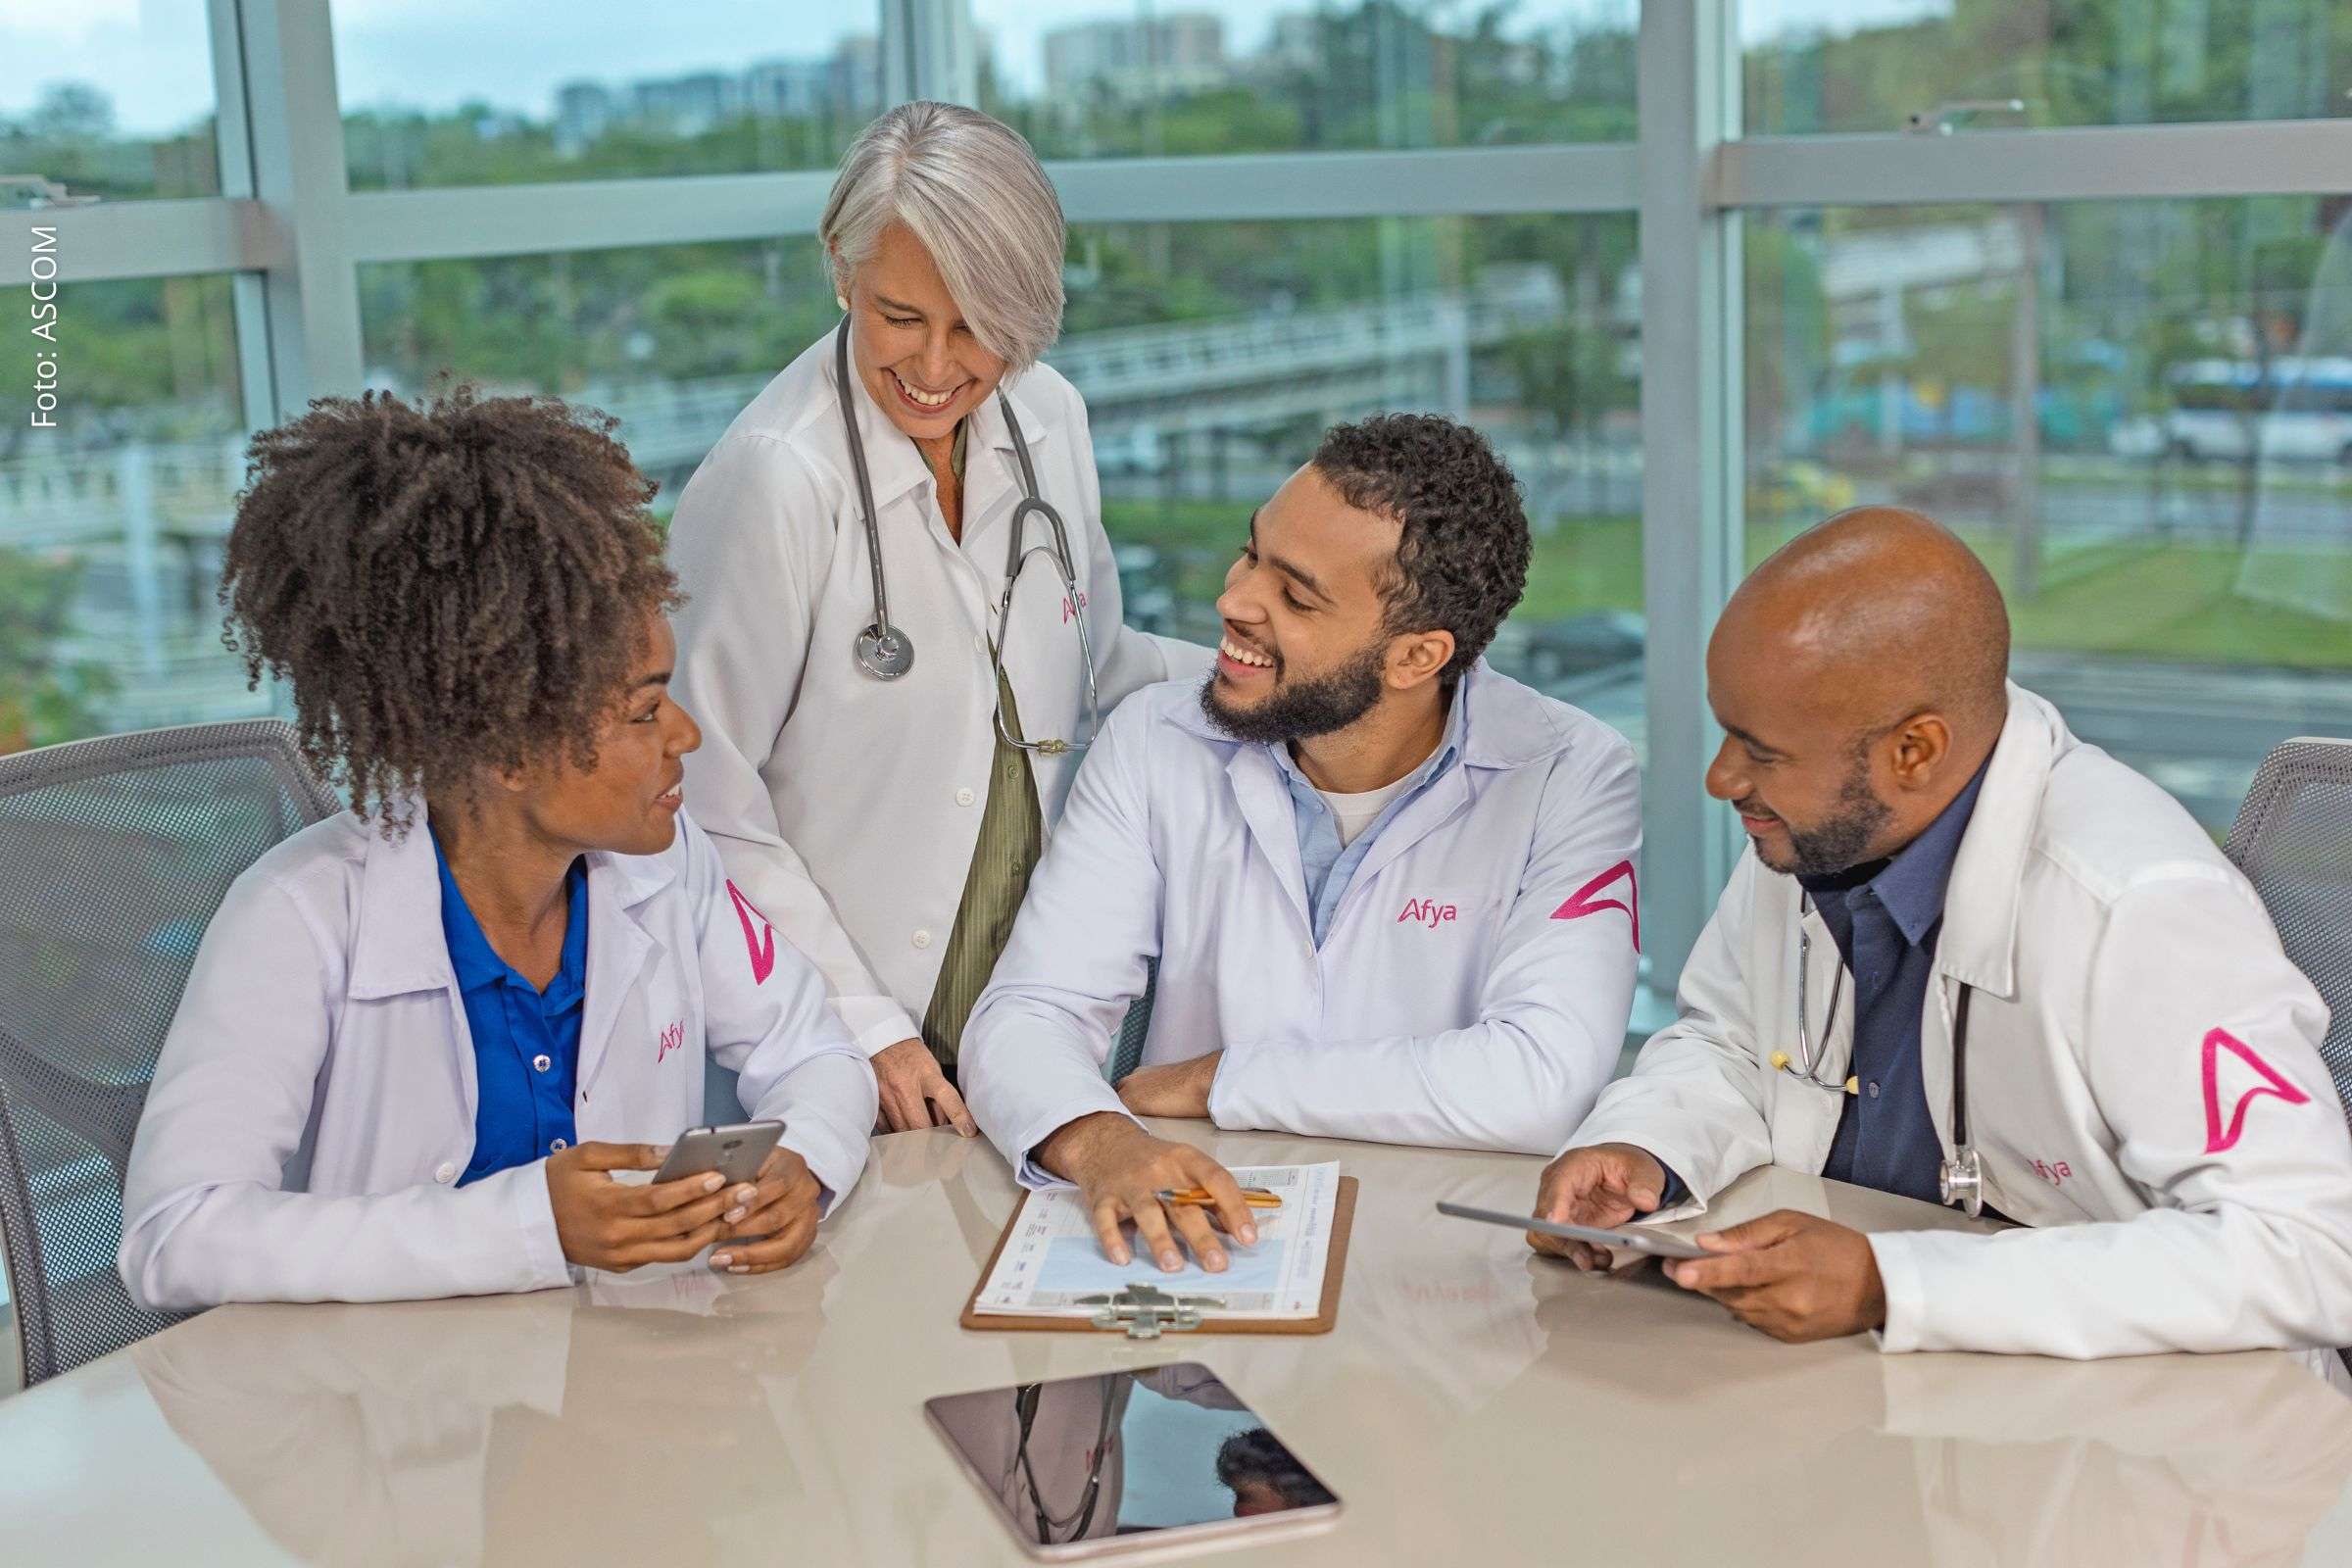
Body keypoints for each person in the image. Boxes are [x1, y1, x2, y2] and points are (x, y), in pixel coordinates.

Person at [118, 388, 878, 1312]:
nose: (685, 736)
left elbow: (820, 1056)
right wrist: (529, 1227)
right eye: (644, 710)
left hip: (630, 1391)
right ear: (509, 750)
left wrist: (807, 1165)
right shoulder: (298, 916)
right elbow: (177, 1235)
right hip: (384, 1423)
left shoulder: (666, 867)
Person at [1534, 507, 2352, 1356]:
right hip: (1865, 1385)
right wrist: (1644, 1146)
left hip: (2140, 1428)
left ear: (1914, 752)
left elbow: (2311, 1250)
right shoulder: (1815, 823)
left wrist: (1896, 1285)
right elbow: (1731, 1042)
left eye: (1760, 750)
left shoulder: (2137, 908)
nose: (1721, 778)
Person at [961, 415, 1642, 1273]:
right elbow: (1029, 1012)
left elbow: (1546, 1080)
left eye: (1295, 595)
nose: (1233, 601)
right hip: (1199, 1274)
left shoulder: (1568, 775)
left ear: (1416, 657)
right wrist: (1098, 1140)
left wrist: (1221, 1081)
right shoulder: (1153, 740)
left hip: (1441, 1276)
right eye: (1251, 555)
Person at [666, 101, 1205, 1140]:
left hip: (1017, 1018)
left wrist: (1272, 682)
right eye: (902, 316)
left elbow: (1103, 666)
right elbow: (702, 803)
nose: (938, 365)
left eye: (979, 327)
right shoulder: (775, 479)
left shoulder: (1049, 415)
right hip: (840, 1038)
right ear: (841, 266)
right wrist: (862, 1024)